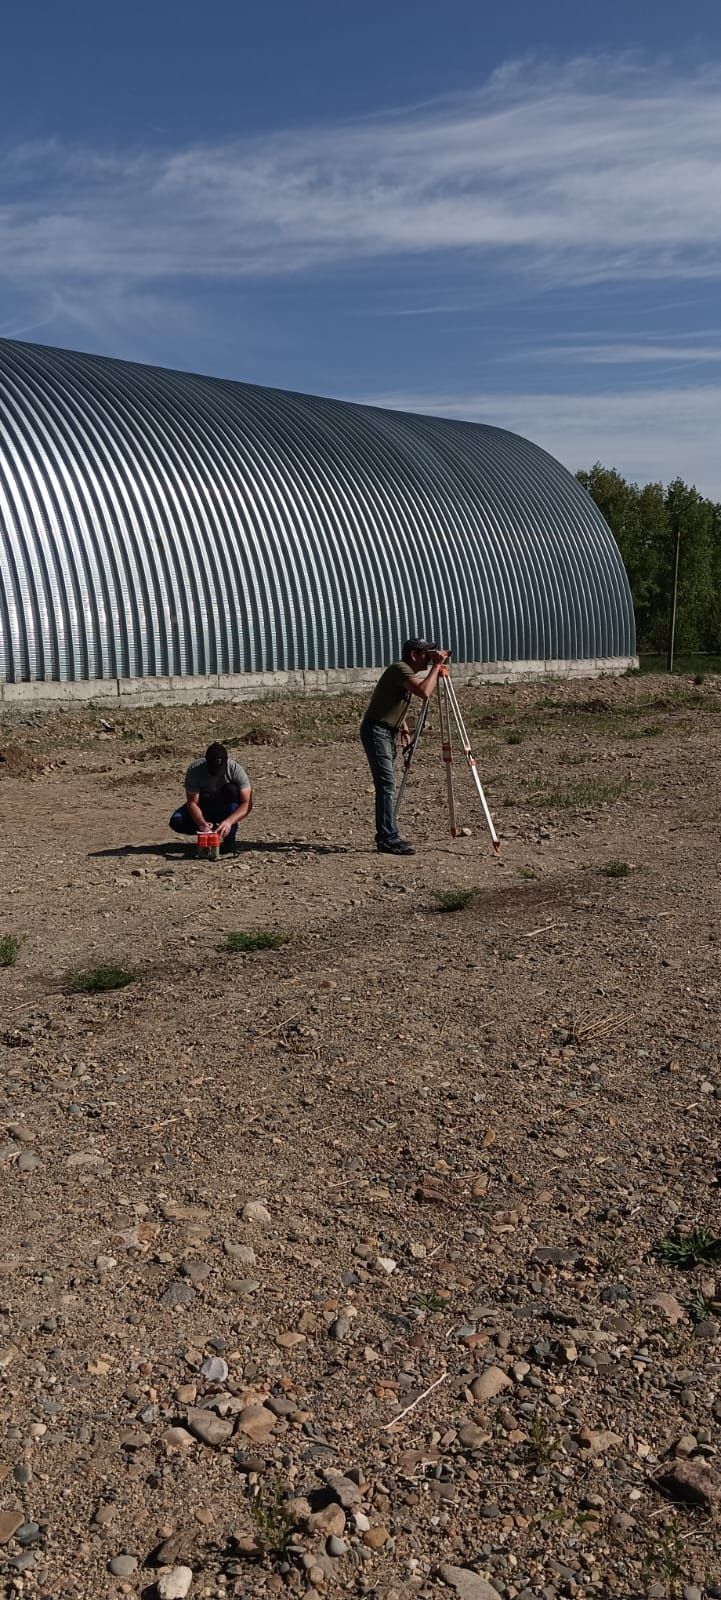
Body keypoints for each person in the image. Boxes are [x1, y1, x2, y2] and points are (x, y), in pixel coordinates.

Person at [360, 638, 450, 855]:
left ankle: (388, 834)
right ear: (413, 654)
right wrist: (437, 666)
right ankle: (387, 837)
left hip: (387, 730)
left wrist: (403, 727)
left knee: (387, 784)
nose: (429, 658)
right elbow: (424, 692)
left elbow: (394, 700)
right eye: (425, 654)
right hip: (376, 731)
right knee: (386, 784)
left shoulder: (404, 671)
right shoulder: (400, 669)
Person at [169, 742, 252, 851]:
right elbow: (192, 802)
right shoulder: (195, 770)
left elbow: (247, 803)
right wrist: (201, 822)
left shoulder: (236, 770)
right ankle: (208, 831)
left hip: (225, 808)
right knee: (176, 821)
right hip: (205, 805)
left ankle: (229, 838)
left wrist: (229, 822)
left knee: (231, 790)